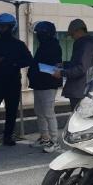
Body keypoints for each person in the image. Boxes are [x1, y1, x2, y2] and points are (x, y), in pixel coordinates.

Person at [0, 13, 33, 146]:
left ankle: (8, 136)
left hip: (12, 83)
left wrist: (13, 63)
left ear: (12, 27)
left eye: (3, 27)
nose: (0, 29)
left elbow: (28, 60)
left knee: (11, 111)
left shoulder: (19, 45)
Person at [27, 21, 62, 153]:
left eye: (40, 33)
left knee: (48, 113)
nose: (38, 35)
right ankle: (44, 137)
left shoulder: (53, 46)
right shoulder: (43, 45)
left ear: (46, 33)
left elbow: (56, 68)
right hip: (39, 83)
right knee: (39, 112)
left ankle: (54, 140)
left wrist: (37, 67)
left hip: (48, 84)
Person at [53, 19, 93, 111]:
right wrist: (64, 64)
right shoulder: (85, 44)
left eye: (72, 35)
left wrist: (62, 73)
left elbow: (81, 68)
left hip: (80, 89)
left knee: (79, 119)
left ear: (79, 31)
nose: (72, 37)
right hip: (80, 89)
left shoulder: (86, 45)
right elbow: (79, 63)